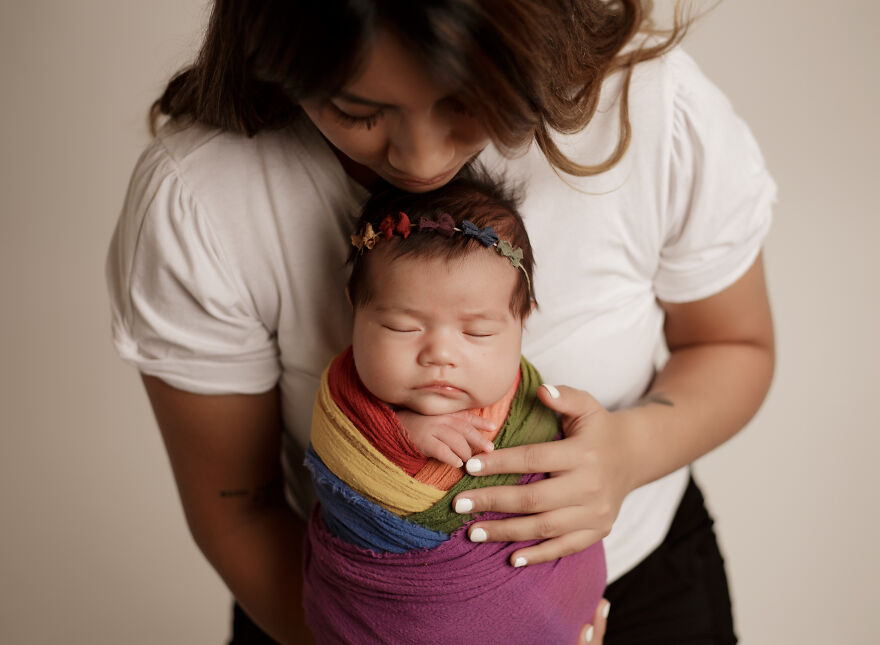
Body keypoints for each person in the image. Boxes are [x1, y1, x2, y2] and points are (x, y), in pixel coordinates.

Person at [106, 1, 776, 643]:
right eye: (357, 110)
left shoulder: (650, 111)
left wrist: (629, 454)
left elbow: (732, 342)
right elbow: (238, 506)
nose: (421, 161)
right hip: (341, 613)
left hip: (638, 590)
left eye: (465, 101)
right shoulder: (203, 197)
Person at [302, 171, 606, 644]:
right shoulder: (344, 407)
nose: (439, 354)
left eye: (477, 333)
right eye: (404, 327)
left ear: (523, 320)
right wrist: (398, 434)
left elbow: (578, 487)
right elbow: (348, 467)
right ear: (354, 310)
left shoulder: (535, 410)